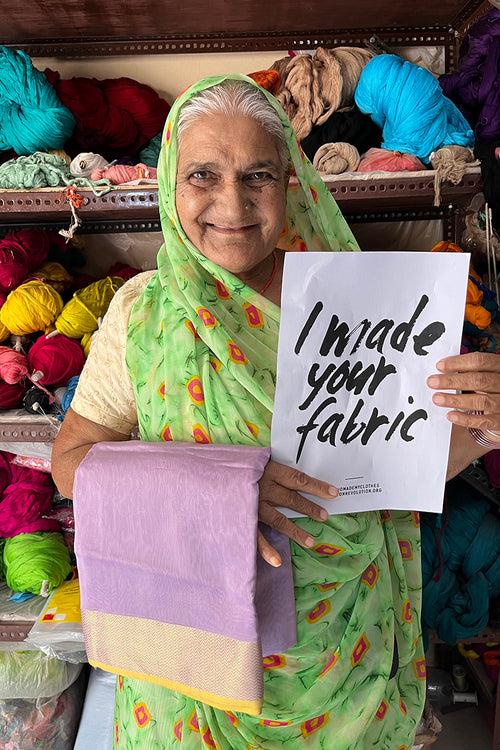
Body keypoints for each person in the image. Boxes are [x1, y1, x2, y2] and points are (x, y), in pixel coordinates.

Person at [52, 74, 500, 749]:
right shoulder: (142, 313)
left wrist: (487, 421)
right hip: (196, 661)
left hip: (344, 651)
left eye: (256, 175)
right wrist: (220, 491)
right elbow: (70, 464)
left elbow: (403, 463)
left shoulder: (358, 301)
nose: (231, 204)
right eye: (203, 174)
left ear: (291, 183)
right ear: (172, 181)